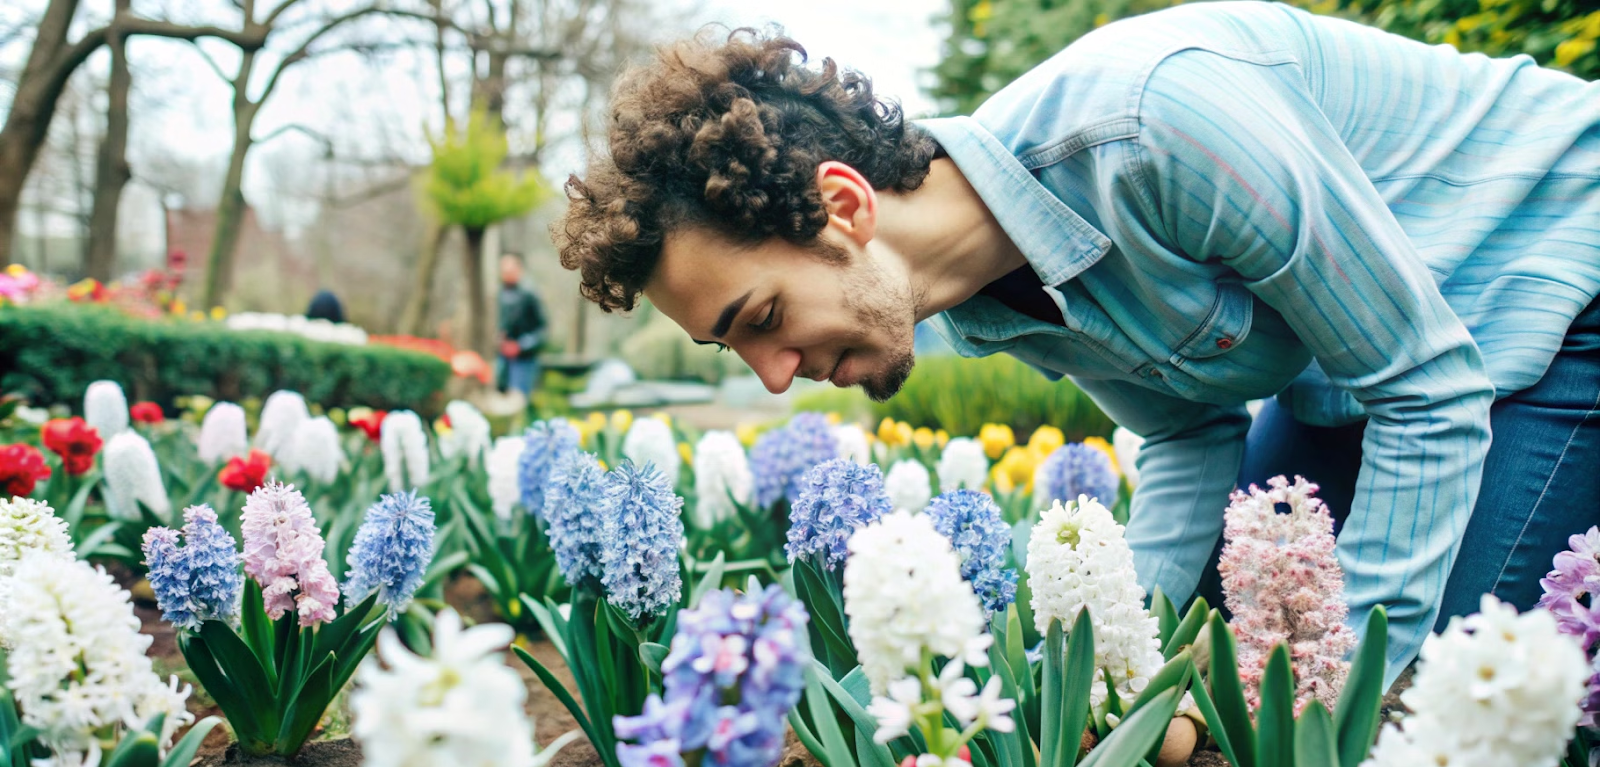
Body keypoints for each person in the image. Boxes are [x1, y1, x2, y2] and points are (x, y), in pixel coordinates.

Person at [551, 5, 1600, 686]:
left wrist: (1342, 698)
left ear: (841, 206)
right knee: (1250, 644)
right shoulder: (986, 302)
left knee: (1417, 681)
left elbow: (1424, 386)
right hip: (1377, 370)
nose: (774, 378)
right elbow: (1191, 434)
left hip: (1550, 277)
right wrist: (1114, 680)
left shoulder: (1152, 128)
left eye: (762, 320)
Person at [496, 251, 548, 398]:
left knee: (518, 398)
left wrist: (521, 346)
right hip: (501, 357)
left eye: (510, 268)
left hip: (523, 360)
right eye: (503, 269)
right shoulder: (497, 294)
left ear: (519, 269)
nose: (506, 272)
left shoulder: (530, 294)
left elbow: (543, 330)